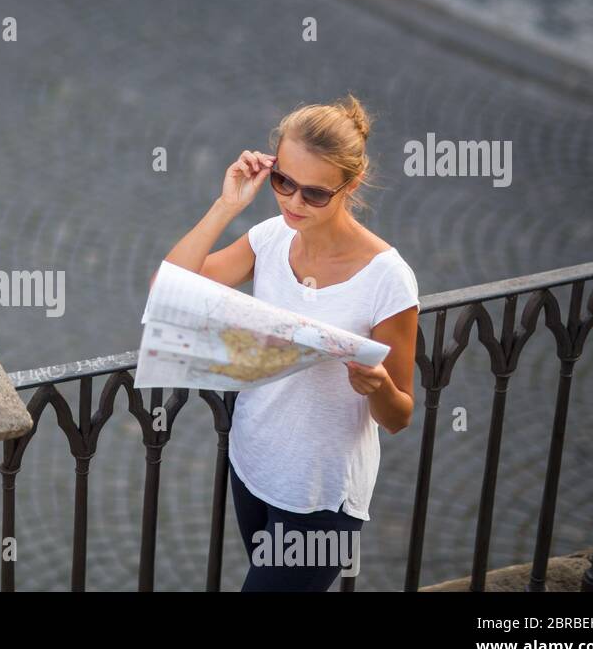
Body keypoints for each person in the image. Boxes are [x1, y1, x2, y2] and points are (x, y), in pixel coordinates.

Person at [156, 94, 420, 591]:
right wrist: (227, 205)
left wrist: (378, 385)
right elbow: (169, 293)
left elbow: (399, 416)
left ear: (351, 184)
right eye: (284, 182)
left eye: (315, 194)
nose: (294, 202)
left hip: (322, 495)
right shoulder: (271, 238)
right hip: (253, 464)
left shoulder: (388, 280)